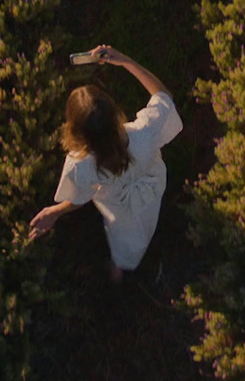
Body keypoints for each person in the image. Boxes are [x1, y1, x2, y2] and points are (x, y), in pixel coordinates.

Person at [29, 45, 183, 283]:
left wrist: (55, 212)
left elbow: (79, 197)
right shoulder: (147, 133)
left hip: (119, 206)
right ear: (115, 113)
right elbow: (164, 97)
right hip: (152, 187)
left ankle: (121, 264)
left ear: (75, 132)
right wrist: (125, 61)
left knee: (126, 237)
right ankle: (129, 258)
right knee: (147, 219)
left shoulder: (79, 165)